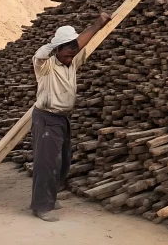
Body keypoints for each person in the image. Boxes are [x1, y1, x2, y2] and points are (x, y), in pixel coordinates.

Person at [30, 12, 111, 221]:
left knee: (63, 161)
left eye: (73, 53)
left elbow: (81, 43)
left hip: (62, 118)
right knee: (46, 163)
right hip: (47, 117)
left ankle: (50, 197)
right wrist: (60, 43)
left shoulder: (72, 62)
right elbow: (41, 52)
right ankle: (42, 206)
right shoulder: (45, 65)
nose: (70, 57)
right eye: (66, 53)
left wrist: (98, 24)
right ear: (57, 49)